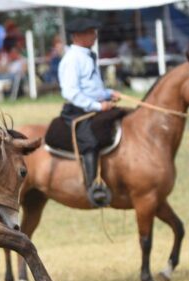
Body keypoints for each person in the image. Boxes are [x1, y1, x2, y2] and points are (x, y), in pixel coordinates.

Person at [58, 18, 121, 207]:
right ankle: (93, 187)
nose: (95, 35)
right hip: (78, 110)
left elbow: (91, 86)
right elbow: (71, 92)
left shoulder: (88, 55)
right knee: (90, 140)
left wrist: (108, 94)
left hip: (95, 104)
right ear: (77, 36)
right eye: (90, 32)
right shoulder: (72, 59)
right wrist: (97, 106)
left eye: (94, 32)